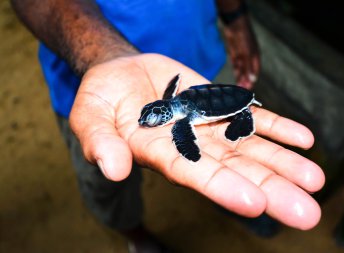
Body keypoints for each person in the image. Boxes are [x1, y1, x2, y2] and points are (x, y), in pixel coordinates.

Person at [11, 0, 325, 251]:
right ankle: (134, 232)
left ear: (166, 109)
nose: (156, 119)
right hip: (96, 76)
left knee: (229, 158)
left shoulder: (179, 115)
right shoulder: (170, 103)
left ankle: (234, 202)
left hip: (205, 57)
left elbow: (179, 116)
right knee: (108, 182)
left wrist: (236, 16)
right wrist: (104, 55)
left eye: (158, 116)